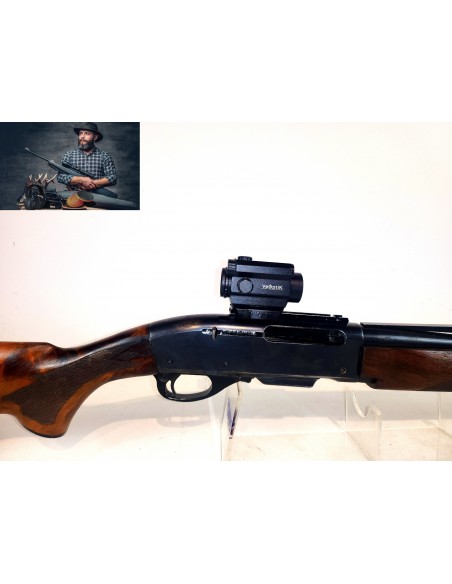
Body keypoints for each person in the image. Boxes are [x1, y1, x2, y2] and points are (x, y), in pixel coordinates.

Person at [57, 123, 117, 191]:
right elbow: (60, 177)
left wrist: (92, 183)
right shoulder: (69, 155)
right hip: (73, 195)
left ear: (95, 137)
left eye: (87, 134)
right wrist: (80, 180)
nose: (82, 136)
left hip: (96, 196)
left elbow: (113, 178)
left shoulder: (104, 156)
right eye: (81, 133)